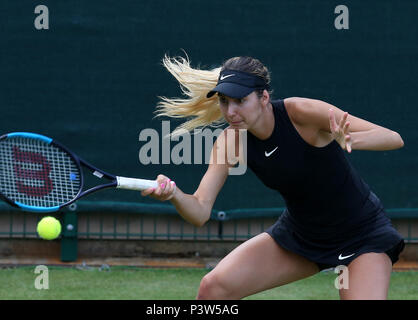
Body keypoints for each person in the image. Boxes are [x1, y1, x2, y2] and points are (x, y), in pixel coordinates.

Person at [141, 54, 405, 300]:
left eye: (240, 100)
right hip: (301, 237)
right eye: (224, 101)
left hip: (362, 235)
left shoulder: (301, 112)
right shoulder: (231, 142)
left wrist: (350, 140)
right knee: (213, 289)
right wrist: (174, 194)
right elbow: (199, 211)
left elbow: (393, 138)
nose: (230, 111)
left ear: (264, 97)